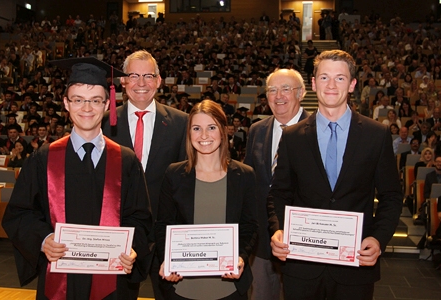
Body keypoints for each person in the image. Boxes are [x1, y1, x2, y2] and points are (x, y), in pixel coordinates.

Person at [1, 57, 152, 299]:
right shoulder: (44, 159)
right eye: (78, 100)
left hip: (111, 283)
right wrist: (44, 239)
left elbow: (141, 219)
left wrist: (132, 249)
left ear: (107, 105)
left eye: (95, 100)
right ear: (66, 103)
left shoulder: (126, 161)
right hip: (59, 280)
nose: (87, 108)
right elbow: (19, 214)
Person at [268, 50, 402, 300]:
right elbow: (279, 193)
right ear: (313, 83)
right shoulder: (292, 137)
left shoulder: (377, 134)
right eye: (324, 77)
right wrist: (278, 229)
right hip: (302, 267)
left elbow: (391, 196)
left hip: (355, 267)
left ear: (352, 84)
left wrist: (378, 238)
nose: (331, 85)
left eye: (340, 78)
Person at [101, 50, 188, 300]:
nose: (141, 83)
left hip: (165, 233)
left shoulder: (180, 122)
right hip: (121, 234)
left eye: (148, 76)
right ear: (123, 81)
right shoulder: (104, 123)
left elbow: (184, 182)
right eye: (134, 76)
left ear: (159, 81)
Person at [155, 100, 258, 300]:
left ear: (223, 130)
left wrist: (240, 258)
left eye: (211, 127)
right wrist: (167, 259)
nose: (204, 136)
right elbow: (163, 225)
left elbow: (250, 226)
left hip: (229, 287)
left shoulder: (244, 175)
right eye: (196, 128)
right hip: (182, 286)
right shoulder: (174, 174)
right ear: (189, 133)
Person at [244, 68, 310, 300]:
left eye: (286, 89)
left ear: (301, 93)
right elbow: (249, 183)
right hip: (262, 240)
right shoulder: (257, 130)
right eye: (272, 90)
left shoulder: (317, 130)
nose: (278, 96)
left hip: (304, 241)